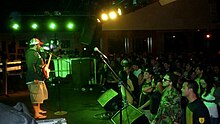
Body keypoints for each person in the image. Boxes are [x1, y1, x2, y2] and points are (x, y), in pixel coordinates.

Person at [25, 38, 48, 119]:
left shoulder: (36, 53)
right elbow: (30, 66)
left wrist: (42, 53)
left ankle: (38, 110)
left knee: (39, 96)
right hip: (34, 78)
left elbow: (41, 62)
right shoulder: (31, 53)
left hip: (38, 77)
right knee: (35, 96)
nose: (40, 46)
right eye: (39, 45)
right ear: (35, 45)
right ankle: (36, 113)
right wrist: (34, 77)